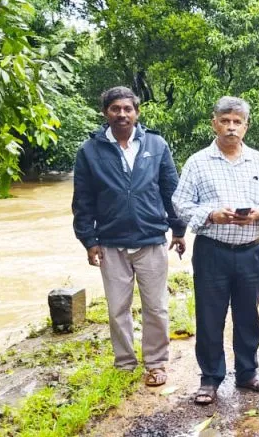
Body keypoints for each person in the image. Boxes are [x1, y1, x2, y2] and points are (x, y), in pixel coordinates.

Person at [72, 86, 187, 387]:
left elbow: (170, 191)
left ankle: (156, 363)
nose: (122, 114)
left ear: (137, 112)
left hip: (150, 239)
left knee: (156, 306)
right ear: (105, 113)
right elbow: (82, 200)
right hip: (110, 243)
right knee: (117, 308)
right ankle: (124, 363)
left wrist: (179, 229)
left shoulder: (156, 144)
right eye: (115, 109)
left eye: (127, 109)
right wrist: (89, 239)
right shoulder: (89, 151)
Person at [172, 96, 259, 405]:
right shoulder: (197, 162)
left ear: (246, 126)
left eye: (237, 122)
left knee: (248, 315)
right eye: (225, 121)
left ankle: (247, 373)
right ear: (214, 123)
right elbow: (180, 203)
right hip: (213, 250)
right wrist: (211, 215)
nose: (231, 127)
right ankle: (210, 379)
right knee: (210, 316)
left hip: (252, 250)